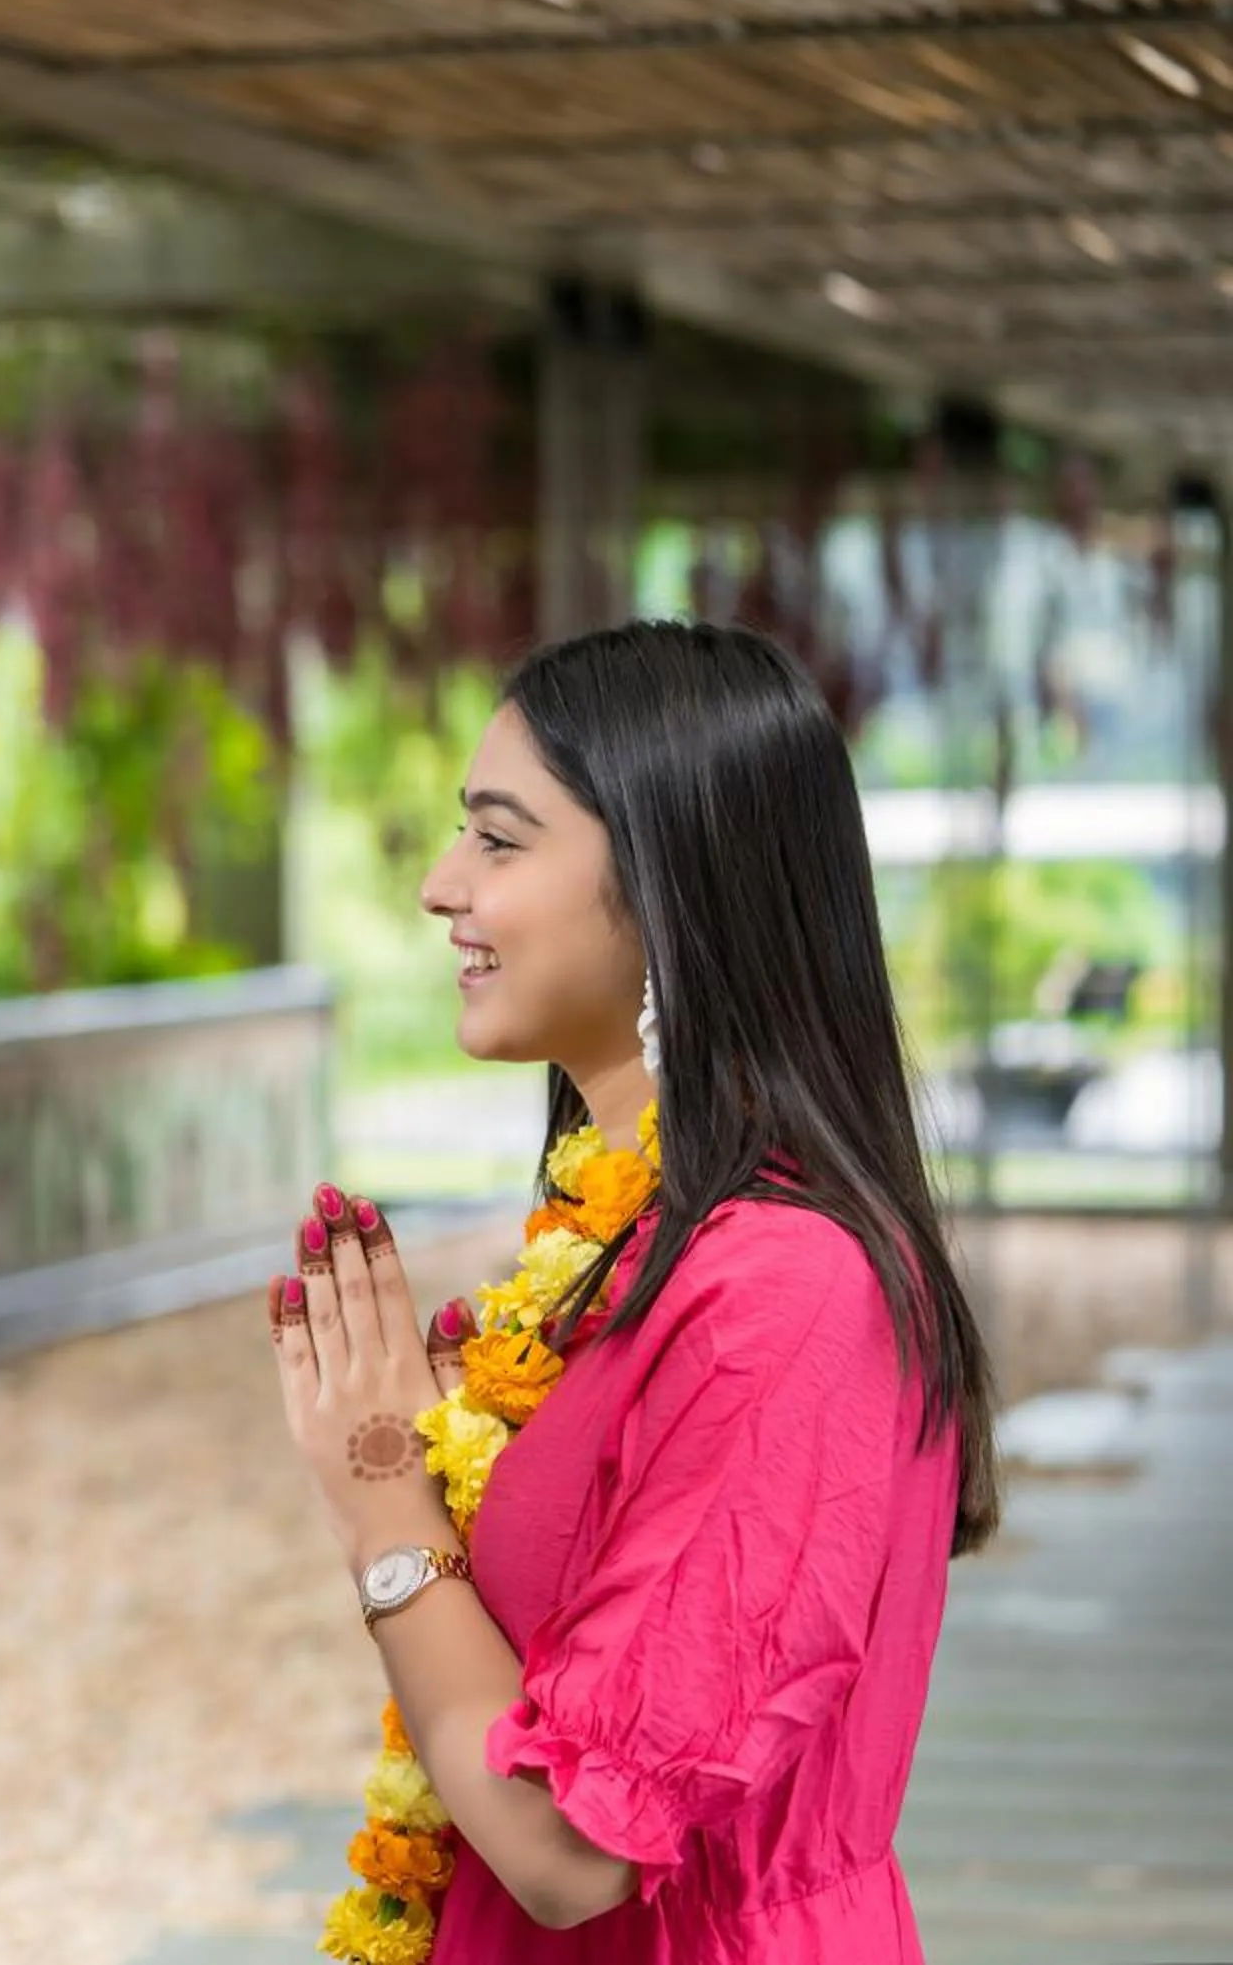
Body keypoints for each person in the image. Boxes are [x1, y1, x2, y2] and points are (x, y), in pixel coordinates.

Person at [264, 620, 999, 1964]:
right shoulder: (643, 1242)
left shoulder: (790, 1291)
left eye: (498, 838)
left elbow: (565, 1848)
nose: (442, 886)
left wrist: (379, 1498)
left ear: (668, 882)